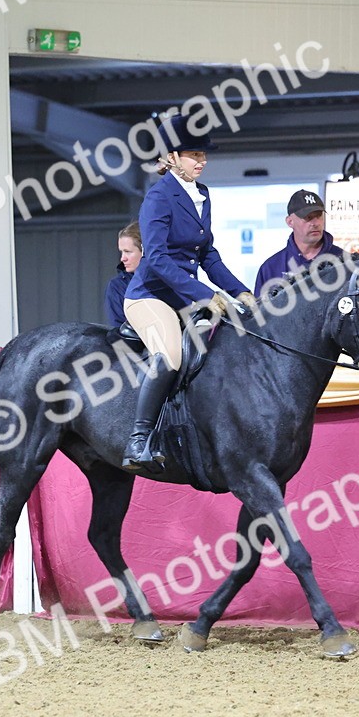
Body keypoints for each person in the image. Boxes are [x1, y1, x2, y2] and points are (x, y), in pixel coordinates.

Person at [121, 115, 256, 470]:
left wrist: (240, 291)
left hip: (183, 295)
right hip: (150, 295)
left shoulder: (202, 195)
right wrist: (203, 294)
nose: (202, 161)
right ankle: (138, 440)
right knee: (170, 356)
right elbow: (158, 257)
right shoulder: (158, 197)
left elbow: (207, 253)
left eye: (204, 154)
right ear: (172, 157)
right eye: (194, 154)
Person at [254, 189, 345, 294]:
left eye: (318, 216)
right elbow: (260, 310)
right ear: (290, 222)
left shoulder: (345, 261)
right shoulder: (271, 268)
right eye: (308, 217)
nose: (315, 223)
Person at [104, 221, 142, 327]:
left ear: (145, 251)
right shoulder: (117, 287)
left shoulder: (171, 279)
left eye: (128, 252)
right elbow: (117, 331)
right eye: (122, 252)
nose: (122, 258)